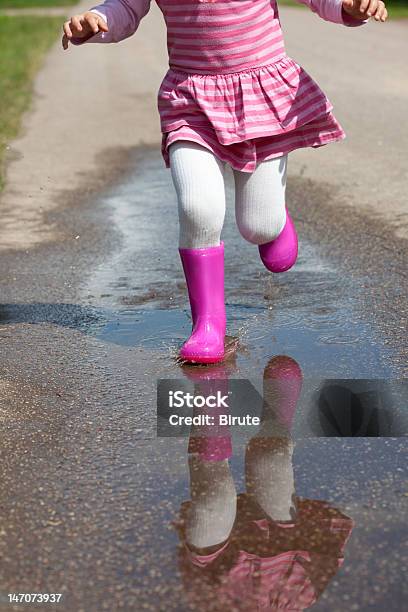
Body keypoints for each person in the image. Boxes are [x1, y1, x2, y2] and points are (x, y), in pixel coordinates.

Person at [62, 0, 388, 364]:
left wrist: (349, 7)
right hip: (189, 101)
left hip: (260, 95)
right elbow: (126, 7)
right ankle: (208, 325)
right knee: (198, 207)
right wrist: (98, 20)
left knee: (258, 226)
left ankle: (273, 221)